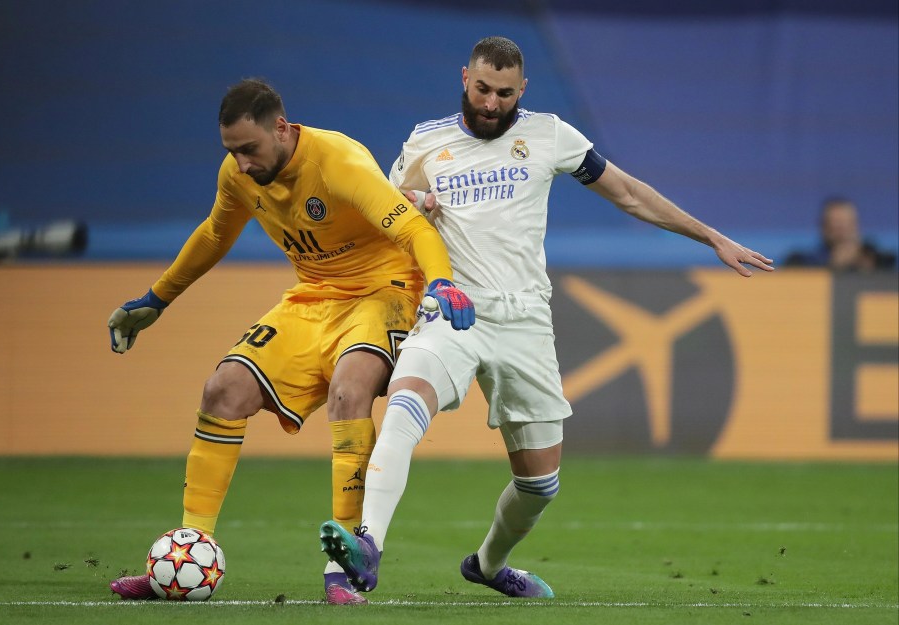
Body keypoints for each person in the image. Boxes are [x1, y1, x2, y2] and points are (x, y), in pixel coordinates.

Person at [319, 36, 774, 599]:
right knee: (406, 407)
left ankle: (487, 565)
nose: (491, 104)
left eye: (504, 94)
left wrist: (711, 237)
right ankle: (368, 544)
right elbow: (386, 217)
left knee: (539, 484)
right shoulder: (424, 143)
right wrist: (412, 206)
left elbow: (628, 194)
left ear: (522, 90)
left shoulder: (550, 134)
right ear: (465, 77)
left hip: (526, 322)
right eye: (483, 89)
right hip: (454, 312)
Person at [106, 78, 474, 605]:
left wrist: (441, 282)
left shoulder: (339, 161)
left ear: (281, 128)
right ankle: (186, 554)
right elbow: (215, 234)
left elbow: (414, 229)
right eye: (231, 151)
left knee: (349, 393)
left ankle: (343, 568)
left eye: (249, 149)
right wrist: (156, 299)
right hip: (313, 298)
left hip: (382, 291)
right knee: (222, 390)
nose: (241, 162)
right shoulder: (237, 174)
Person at [784, 197, 896, 271]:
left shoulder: (878, 258)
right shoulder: (801, 261)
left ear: (857, 226)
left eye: (846, 224)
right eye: (835, 224)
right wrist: (833, 266)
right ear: (823, 227)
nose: (841, 231)